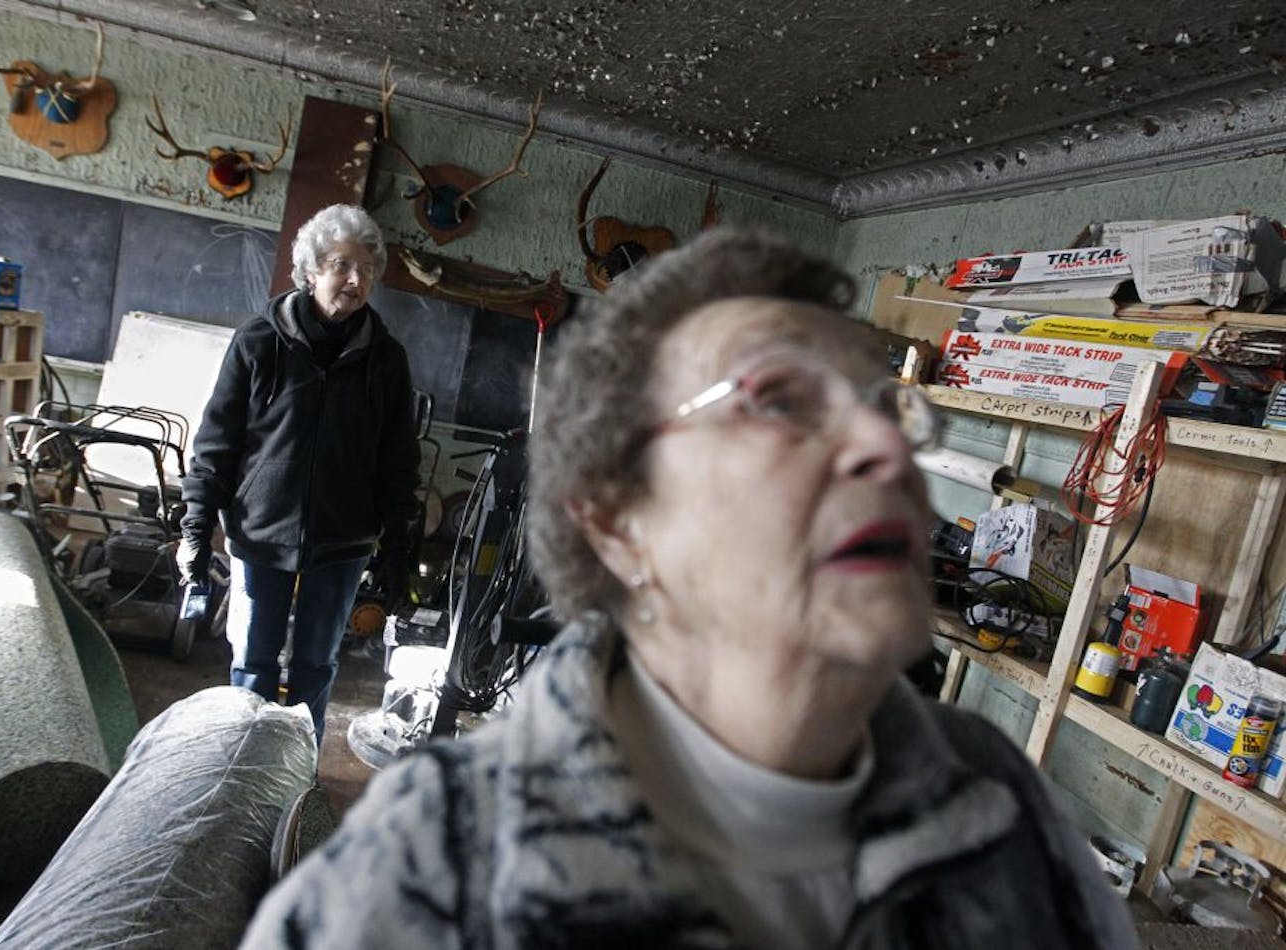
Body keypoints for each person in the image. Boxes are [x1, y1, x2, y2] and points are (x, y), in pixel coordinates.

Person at [240, 230, 1136, 948]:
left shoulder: (995, 798)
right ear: (621, 519)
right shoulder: (425, 876)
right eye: (783, 402)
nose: (879, 449)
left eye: (882, 404)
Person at [177, 203, 419, 749]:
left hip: (343, 539)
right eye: (341, 265)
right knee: (253, 664)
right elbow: (217, 442)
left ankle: (293, 772)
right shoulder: (258, 341)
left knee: (315, 663)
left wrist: (398, 547)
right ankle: (241, 769)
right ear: (312, 271)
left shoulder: (386, 360)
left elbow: (398, 461)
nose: (355, 280)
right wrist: (195, 528)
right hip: (260, 532)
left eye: (366, 270)